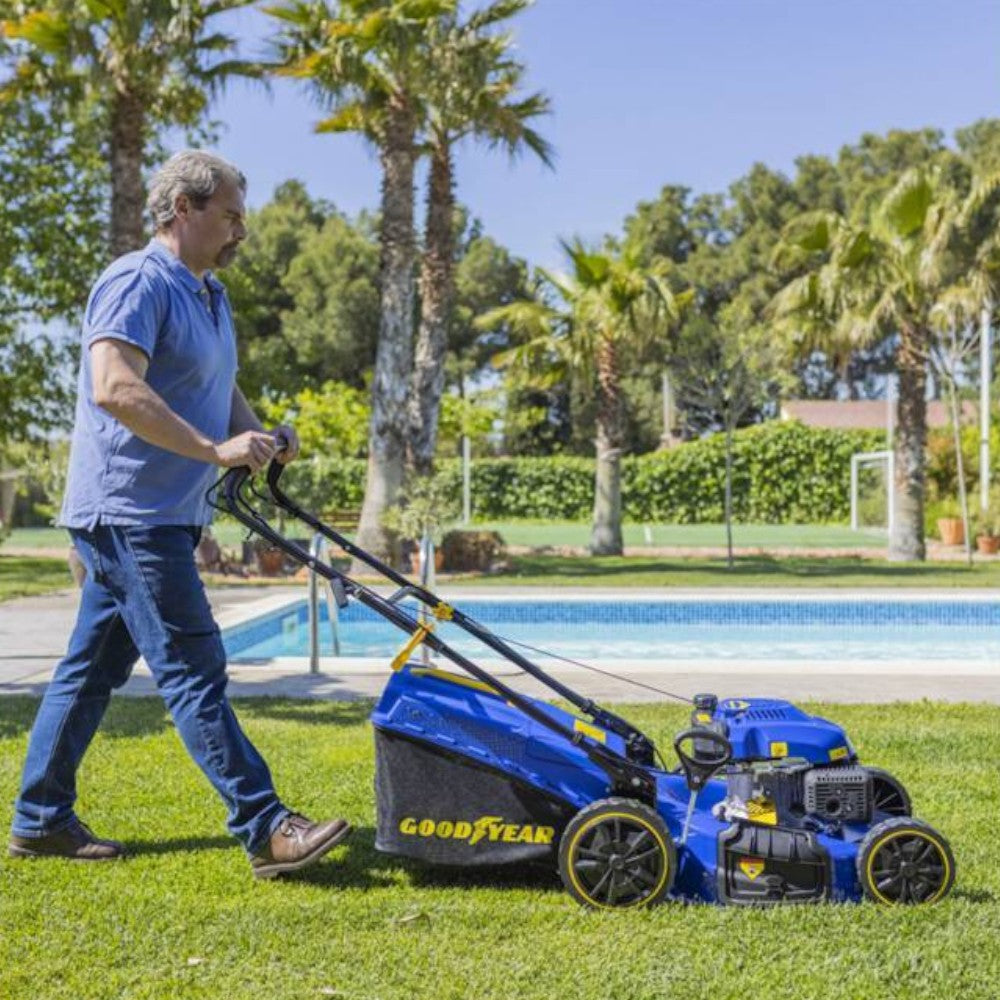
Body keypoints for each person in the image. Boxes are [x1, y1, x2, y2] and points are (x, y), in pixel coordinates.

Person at [8, 150, 351, 879]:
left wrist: (261, 439)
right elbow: (113, 386)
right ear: (183, 210)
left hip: (161, 512)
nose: (240, 232)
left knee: (90, 672)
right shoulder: (138, 280)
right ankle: (265, 828)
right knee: (195, 667)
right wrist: (210, 450)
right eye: (229, 216)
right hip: (129, 511)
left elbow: (219, 390)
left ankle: (39, 820)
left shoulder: (209, 294)